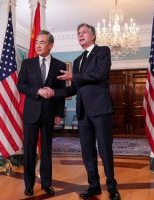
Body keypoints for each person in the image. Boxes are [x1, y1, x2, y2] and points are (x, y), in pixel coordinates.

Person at [56, 23, 121, 200]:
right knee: (87, 151)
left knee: (105, 149)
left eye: (84, 32)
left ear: (93, 36)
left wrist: (73, 76)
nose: (80, 35)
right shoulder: (77, 61)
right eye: (78, 33)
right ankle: (94, 186)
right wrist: (54, 92)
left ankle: (112, 187)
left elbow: (100, 74)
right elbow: (75, 87)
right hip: (83, 112)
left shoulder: (103, 51)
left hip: (101, 110)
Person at [17, 30, 66, 197]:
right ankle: (29, 185)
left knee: (46, 151)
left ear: (50, 45)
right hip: (31, 113)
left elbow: (62, 92)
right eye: (37, 42)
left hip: (49, 113)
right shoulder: (27, 64)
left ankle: (47, 184)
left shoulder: (60, 65)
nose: (38, 45)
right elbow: (21, 85)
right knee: (29, 151)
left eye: (42, 42)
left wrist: (59, 113)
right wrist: (38, 90)